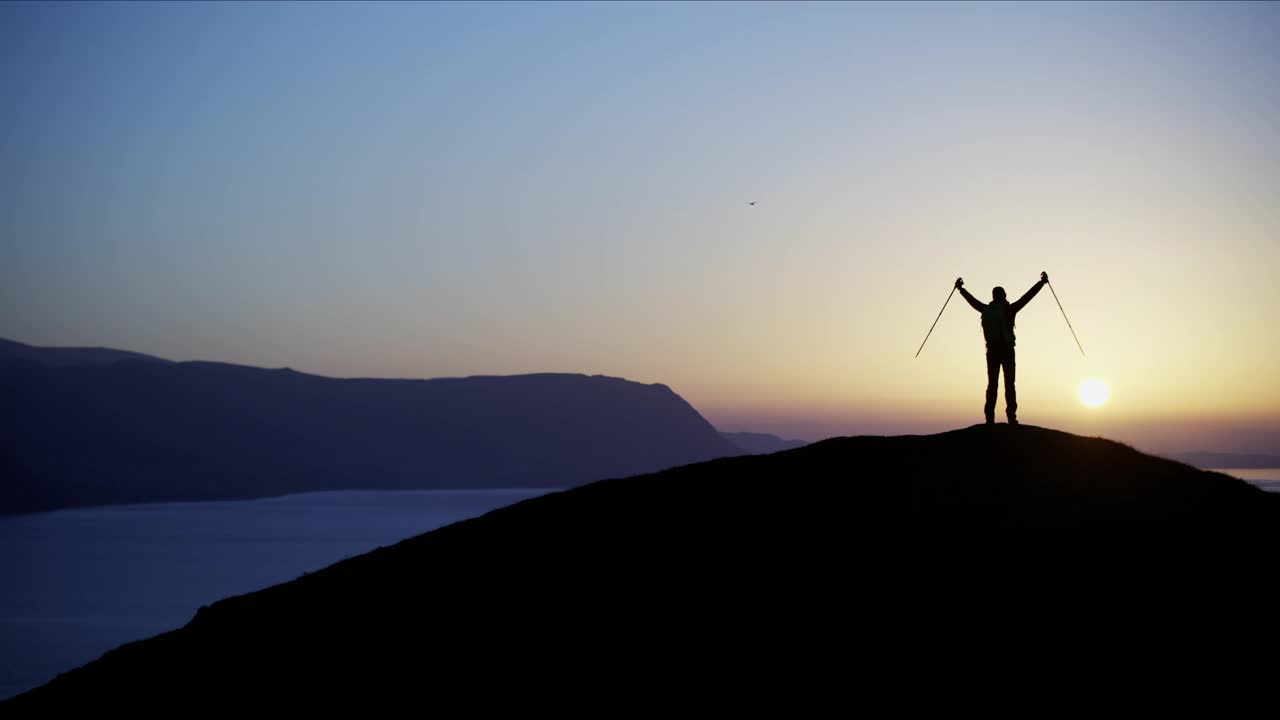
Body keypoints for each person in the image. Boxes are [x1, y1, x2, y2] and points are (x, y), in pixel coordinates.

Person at [955, 272, 1048, 425]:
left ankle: (989, 418)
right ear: (1004, 296)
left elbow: (972, 301)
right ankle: (1011, 417)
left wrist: (961, 289)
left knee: (992, 384)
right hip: (1007, 350)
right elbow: (1027, 298)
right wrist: (1041, 283)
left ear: (993, 297)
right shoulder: (1009, 310)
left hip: (991, 350)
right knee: (1009, 384)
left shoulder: (985, 309)